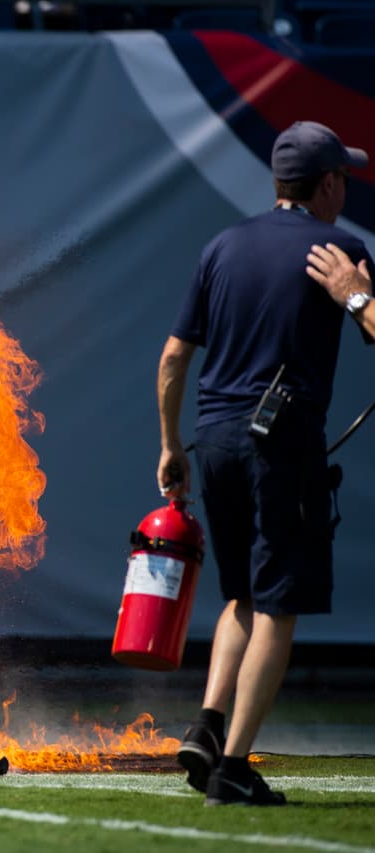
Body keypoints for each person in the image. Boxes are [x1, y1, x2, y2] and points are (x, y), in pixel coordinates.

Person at [156, 120, 372, 807]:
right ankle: (235, 766)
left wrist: (170, 445)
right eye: (347, 176)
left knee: (242, 597)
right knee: (278, 607)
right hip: (279, 441)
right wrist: (357, 296)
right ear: (329, 183)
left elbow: (172, 358)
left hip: (213, 440)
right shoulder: (343, 248)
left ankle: (207, 725)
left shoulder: (221, 245)